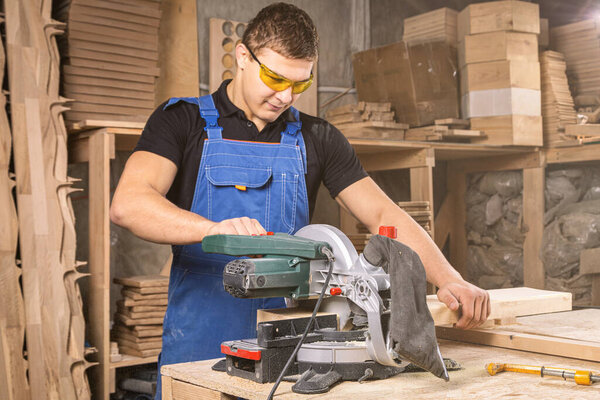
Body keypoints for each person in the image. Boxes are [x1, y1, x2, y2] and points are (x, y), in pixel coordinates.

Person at [110, 3, 490, 398]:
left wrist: (451, 280)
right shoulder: (183, 122)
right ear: (243, 56)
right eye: (274, 78)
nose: (285, 96)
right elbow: (129, 204)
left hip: (293, 341)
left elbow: (382, 213)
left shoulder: (317, 138)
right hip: (200, 340)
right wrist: (213, 229)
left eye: (300, 84)